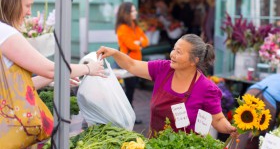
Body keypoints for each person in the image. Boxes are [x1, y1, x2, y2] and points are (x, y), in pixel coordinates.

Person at [0, 0, 104, 149]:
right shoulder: (5, 33)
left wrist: (50, 80)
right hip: (7, 140)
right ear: (11, 1)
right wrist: (87, 68)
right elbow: (51, 69)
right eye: (27, 5)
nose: (29, 12)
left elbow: (18, 89)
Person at [97, 34, 237, 136]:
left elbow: (218, 119)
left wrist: (230, 128)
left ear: (194, 60)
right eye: (174, 49)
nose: (172, 55)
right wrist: (114, 53)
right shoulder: (163, 69)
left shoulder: (207, 88)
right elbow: (132, 65)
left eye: (179, 52)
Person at [115, 2, 149, 125]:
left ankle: (127, 115)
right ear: (126, 13)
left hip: (135, 63)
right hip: (127, 63)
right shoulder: (123, 28)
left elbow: (145, 41)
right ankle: (127, 116)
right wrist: (138, 43)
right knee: (129, 90)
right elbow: (131, 45)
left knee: (130, 90)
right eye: (133, 11)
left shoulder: (134, 25)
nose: (135, 13)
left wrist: (139, 43)